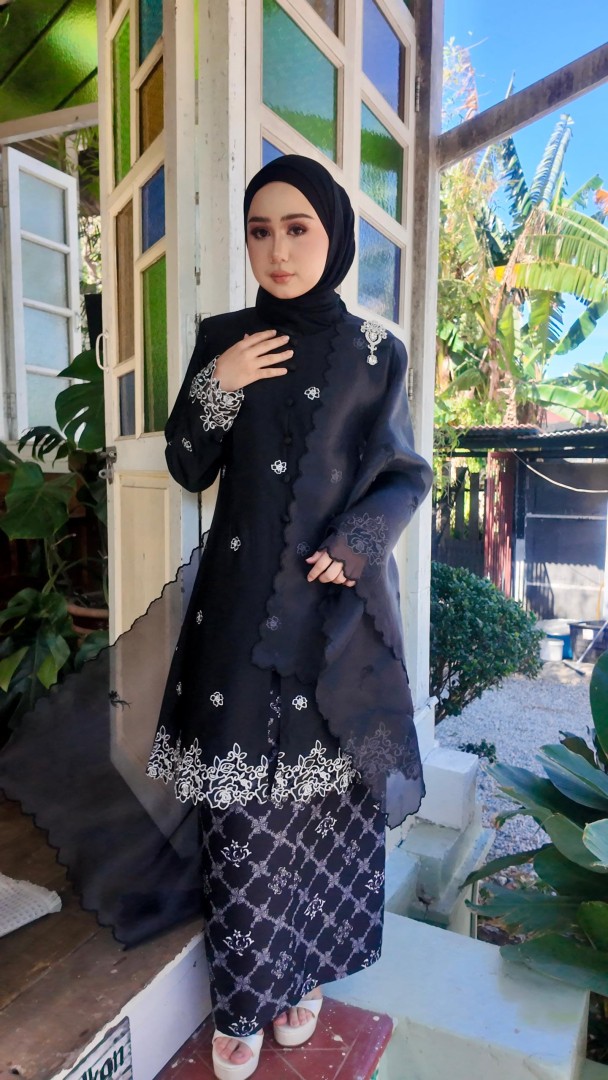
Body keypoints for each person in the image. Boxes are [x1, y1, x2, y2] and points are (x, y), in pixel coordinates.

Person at [143, 154, 434, 1080]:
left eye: (298, 228)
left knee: (322, 806)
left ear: (333, 234)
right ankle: (243, 997)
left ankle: (301, 975)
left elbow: (404, 474)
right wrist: (218, 382)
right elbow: (188, 463)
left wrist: (358, 540)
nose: (277, 249)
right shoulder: (225, 337)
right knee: (240, 812)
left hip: (335, 616)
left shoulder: (377, 352)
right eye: (260, 230)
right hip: (237, 614)